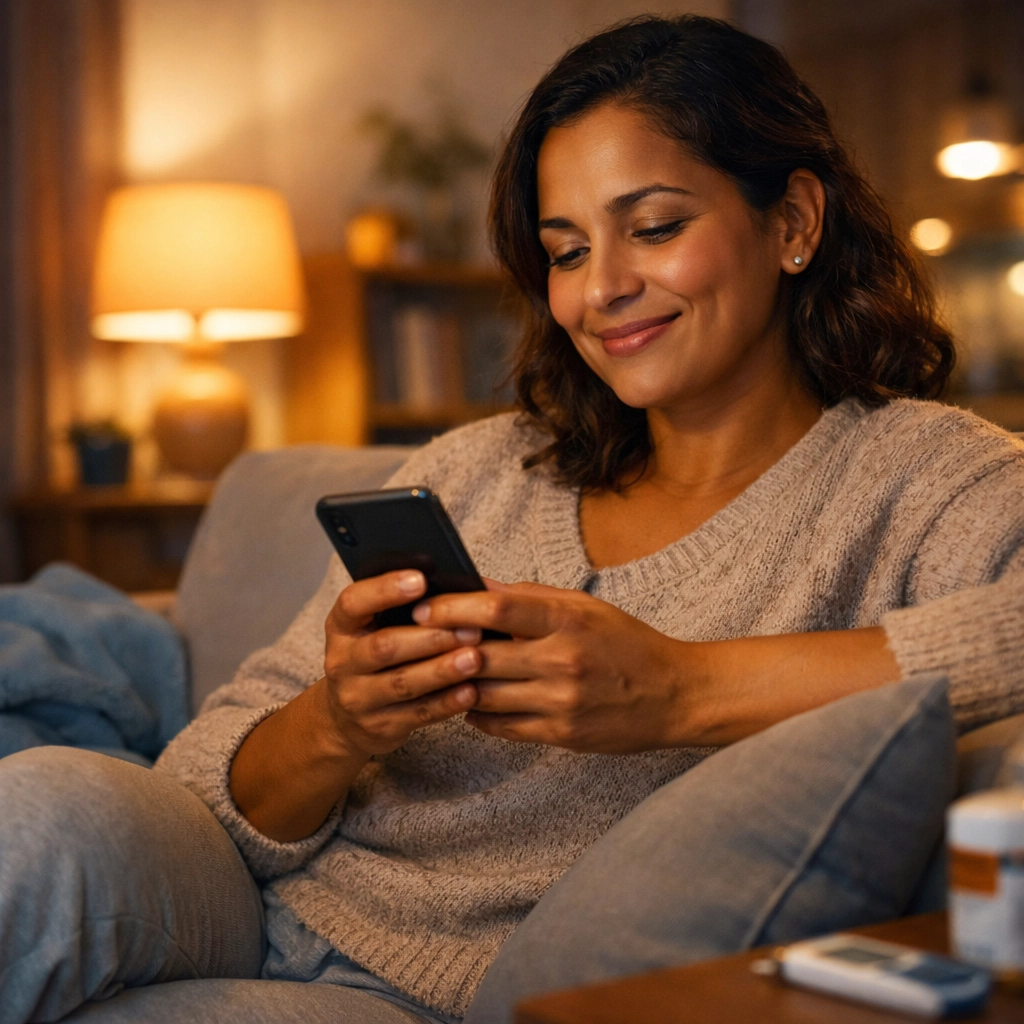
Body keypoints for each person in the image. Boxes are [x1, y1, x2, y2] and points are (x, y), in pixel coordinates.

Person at [2, 14, 1022, 1024]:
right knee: (43, 801)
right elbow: (202, 779)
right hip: (245, 897)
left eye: (655, 227)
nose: (603, 290)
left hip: (430, 992)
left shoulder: (919, 480)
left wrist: (679, 688)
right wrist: (338, 720)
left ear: (793, 222)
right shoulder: (479, 468)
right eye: (566, 250)